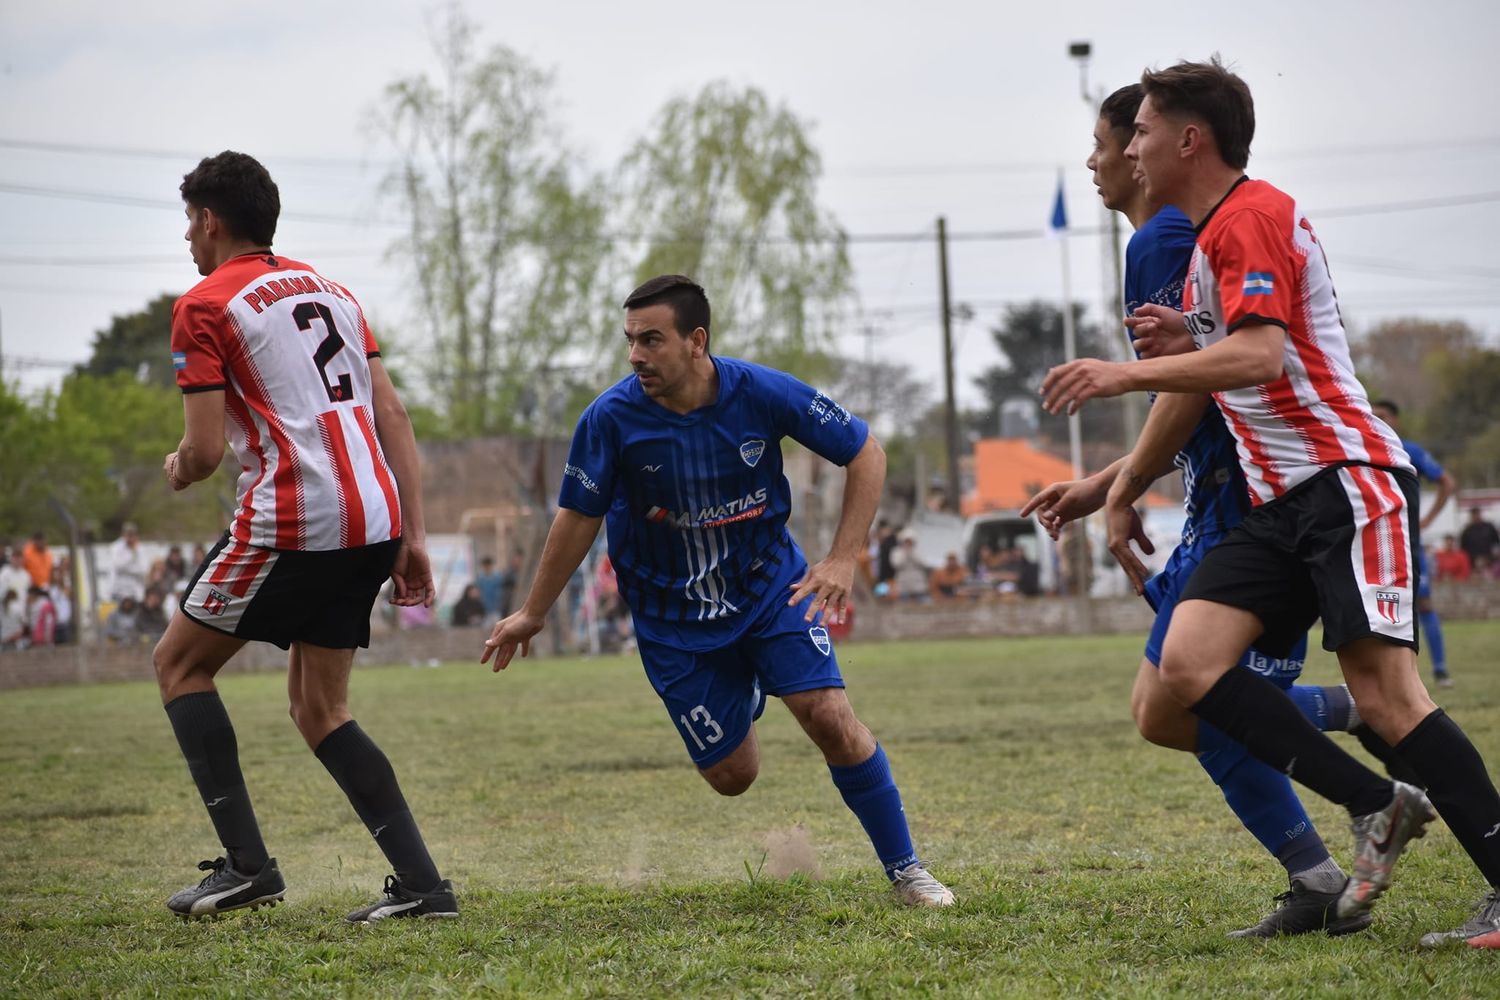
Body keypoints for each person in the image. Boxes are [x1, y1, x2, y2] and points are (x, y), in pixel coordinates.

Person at [1041, 58, 1500, 947]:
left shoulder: (1248, 216)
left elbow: (1258, 359)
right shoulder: (1214, 234)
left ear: (1189, 139)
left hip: (1342, 482)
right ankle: (1375, 804)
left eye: (1139, 131)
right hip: (1280, 502)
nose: (1128, 149)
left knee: (1389, 695)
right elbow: (1232, 349)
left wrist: (1125, 373)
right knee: (1188, 666)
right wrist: (1184, 343)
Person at [1024, 82, 1378, 938]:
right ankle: (1356, 734)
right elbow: (1203, 392)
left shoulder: (1167, 241)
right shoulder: (1163, 240)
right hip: (1233, 501)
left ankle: (1333, 845)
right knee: (1167, 709)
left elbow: (1212, 386)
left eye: (1114, 140)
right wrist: (1112, 478)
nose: (1102, 158)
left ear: (1153, 151)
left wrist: (1123, 487)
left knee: (1188, 702)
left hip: (1250, 509)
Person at [482, 274, 954, 907]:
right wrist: (532, 613)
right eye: (629, 341)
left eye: (651, 340)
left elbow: (865, 451)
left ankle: (907, 872)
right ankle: (750, 686)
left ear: (696, 341)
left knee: (830, 719)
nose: (636, 356)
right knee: (733, 777)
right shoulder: (611, 419)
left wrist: (843, 558)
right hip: (671, 619)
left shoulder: (762, 393)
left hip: (769, 589)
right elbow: (576, 518)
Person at [152, 151, 455, 923]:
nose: (188, 236)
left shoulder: (205, 305)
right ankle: (424, 888)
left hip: (297, 513)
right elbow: (393, 416)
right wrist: (413, 534)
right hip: (374, 515)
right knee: (321, 709)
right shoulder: (335, 291)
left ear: (211, 220)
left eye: (191, 220)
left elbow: (208, 448)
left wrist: (181, 468)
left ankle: (247, 868)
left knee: (180, 664)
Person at [1371, 400, 1456, 687]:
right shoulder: (1361, 447)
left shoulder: (1410, 451)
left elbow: (1447, 482)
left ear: (1395, 419)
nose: (1376, 420)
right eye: (1372, 415)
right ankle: (1394, 677)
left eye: (1381, 416)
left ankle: (1441, 670)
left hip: (1408, 540)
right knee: (1380, 608)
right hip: (1374, 540)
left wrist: (1428, 519)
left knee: (1424, 603)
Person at [109, 522, 149, 603]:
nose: (130, 538)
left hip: (134, 591)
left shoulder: (140, 548)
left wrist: (128, 569)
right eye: (128, 534)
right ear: (123, 534)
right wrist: (132, 553)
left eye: (133, 535)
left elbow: (143, 570)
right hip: (118, 590)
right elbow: (118, 566)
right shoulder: (116, 547)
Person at [1459, 507, 1499, 574]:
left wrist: (1493, 557)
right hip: (1473, 563)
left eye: (1477, 514)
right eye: (1474, 515)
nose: (1476, 517)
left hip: (1490, 560)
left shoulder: (1489, 527)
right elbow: (1463, 549)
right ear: (1471, 516)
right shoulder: (1466, 531)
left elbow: (1496, 543)